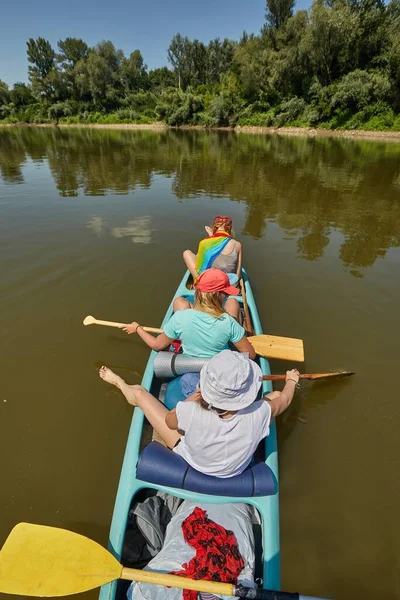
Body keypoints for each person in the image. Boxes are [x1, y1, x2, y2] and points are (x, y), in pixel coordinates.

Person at [99, 350, 300, 478]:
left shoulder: (190, 410)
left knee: (140, 394)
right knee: (274, 395)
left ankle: (120, 383)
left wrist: (193, 397)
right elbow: (286, 399)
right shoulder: (262, 413)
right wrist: (291, 381)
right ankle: (119, 382)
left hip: (193, 463)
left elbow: (170, 421)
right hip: (234, 471)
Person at [122, 269, 255, 359]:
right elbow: (250, 355)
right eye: (226, 293)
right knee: (233, 303)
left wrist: (137, 328)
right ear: (219, 295)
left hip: (188, 362)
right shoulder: (228, 322)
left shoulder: (180, 318)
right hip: (217, 362)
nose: (227, 295)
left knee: (179, 302)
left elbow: (156, 345)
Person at [183, 216, 242, 281]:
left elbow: (199, 263)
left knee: (187, 253)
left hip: (207, 283)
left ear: (214, 227)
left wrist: (211, 236)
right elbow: (238, 273)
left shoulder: (204, 243)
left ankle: (198, 281)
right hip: (227, 283)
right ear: (230, 229)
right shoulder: (237, 245)